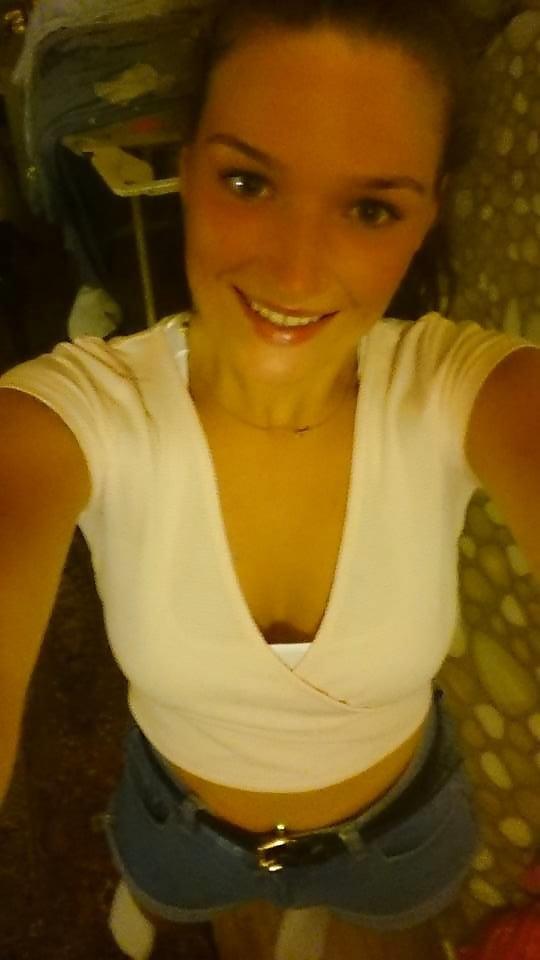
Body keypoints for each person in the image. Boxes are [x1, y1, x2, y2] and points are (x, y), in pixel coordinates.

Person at [1, 1, 539, 958]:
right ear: (187, 166)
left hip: (401, 840)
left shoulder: (460, 388)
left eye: (370, 208)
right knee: (171, 902)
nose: (294, 270)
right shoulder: (79, 412)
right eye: (248, 181)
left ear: (430, 210)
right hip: (176, 830)